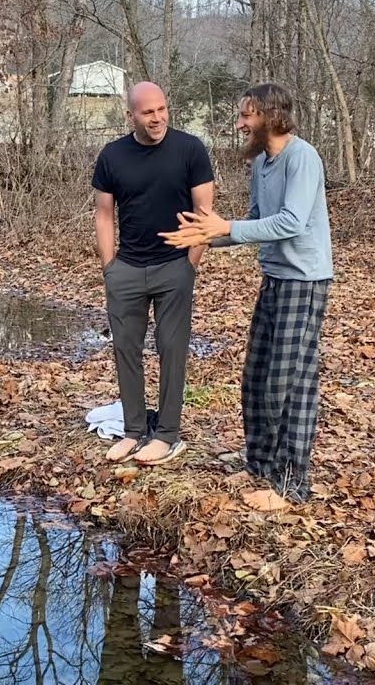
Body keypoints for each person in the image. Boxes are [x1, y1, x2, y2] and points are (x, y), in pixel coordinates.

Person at [159, 82, 332, 502]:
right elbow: (257, 220)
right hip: (274, 278)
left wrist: (227, 227)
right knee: (256, 378)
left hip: (304, 280)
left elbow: (291, 221)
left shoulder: (302, 158)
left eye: (246, 116)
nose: (239, 124)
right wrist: (204, 236)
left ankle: (291, 485)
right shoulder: (262, 165)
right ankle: (259, 468)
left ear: (271, 116)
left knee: (287, 384)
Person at [92, 81, 215, 466]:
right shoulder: (113, 156)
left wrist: (189, 263)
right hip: (126, 268)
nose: (157, 118)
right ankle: (132, 430)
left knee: (171, 348)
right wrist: (110, 267)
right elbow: (104, 213)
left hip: (173, 267)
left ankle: (167, 433)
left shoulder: (190, 149)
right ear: (131, 115)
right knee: (126, 347)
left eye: (162, 109)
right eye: (148, 112)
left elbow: (205, 212)